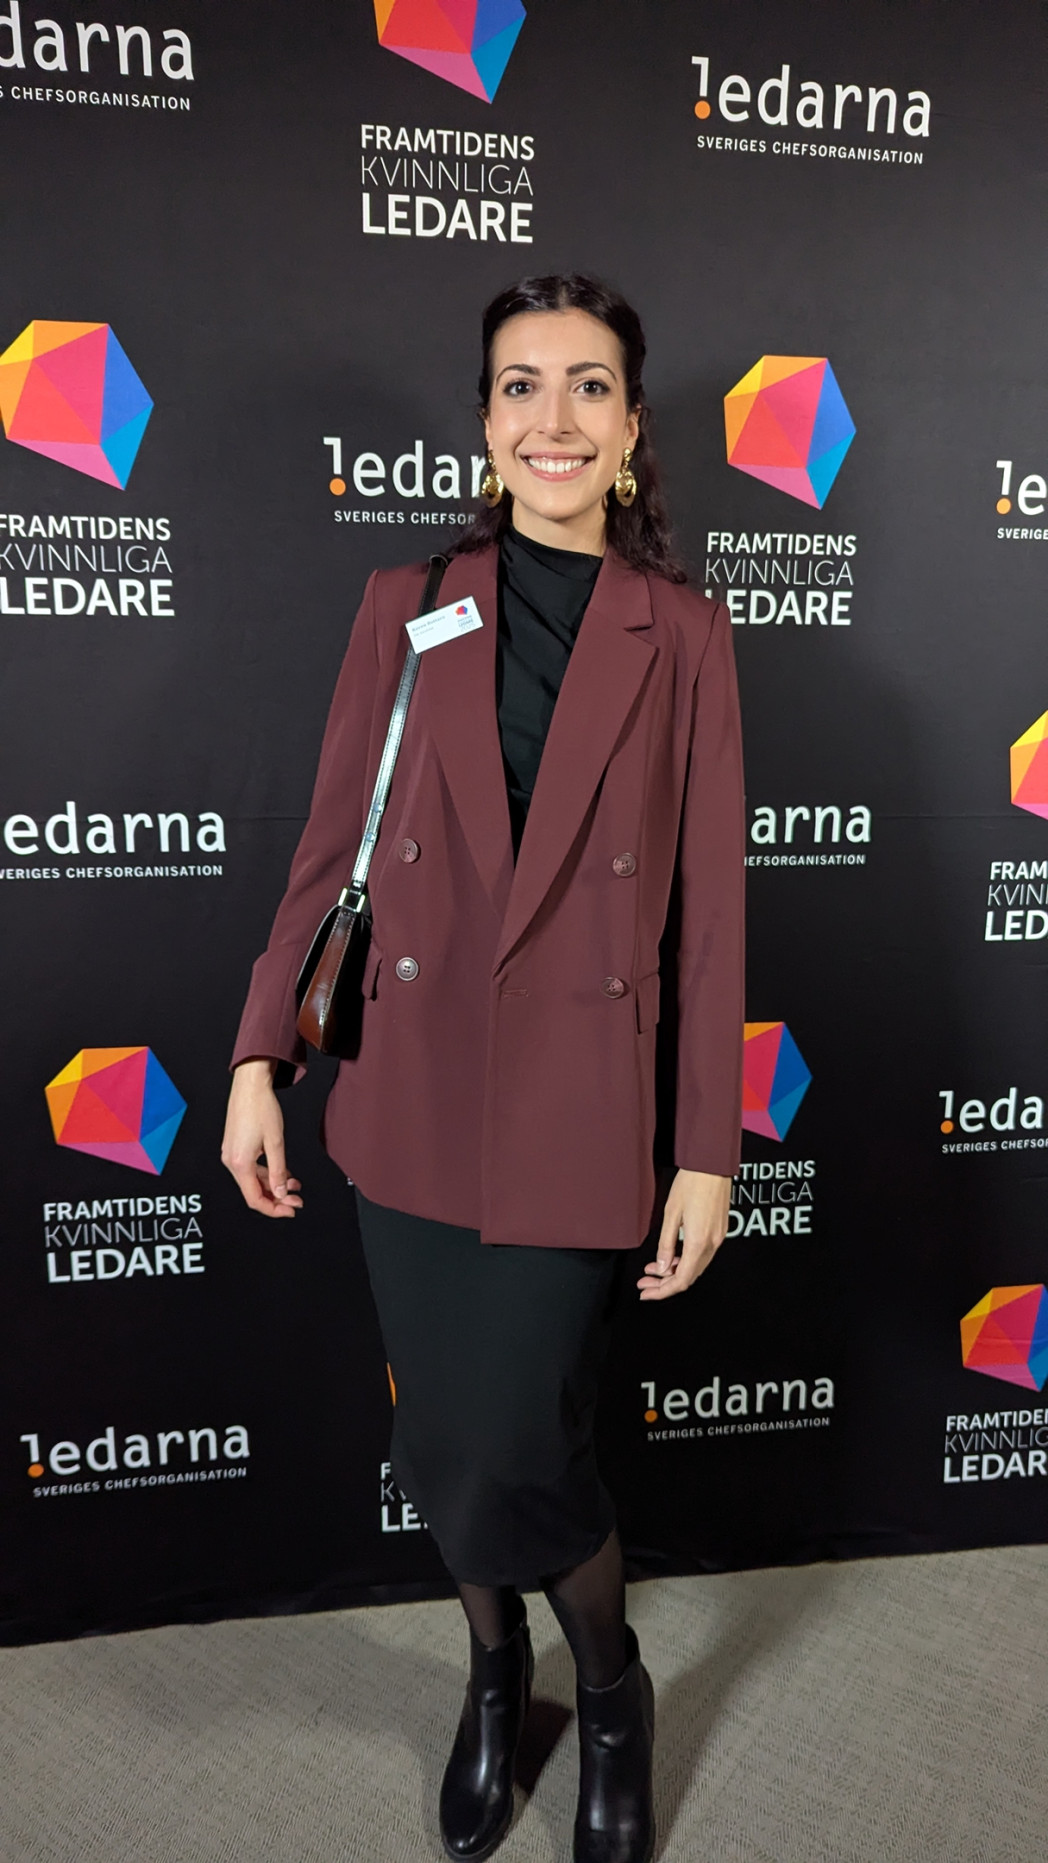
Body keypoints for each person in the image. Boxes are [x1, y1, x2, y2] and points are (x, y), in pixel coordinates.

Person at [223, 273, 744, 1863]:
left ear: (635, 429)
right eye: (522, 387)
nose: (555, 420)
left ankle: (606, 1687)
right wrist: (258, 1053)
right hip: (416, 1094)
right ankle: (490, 1663)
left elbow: (710, 905)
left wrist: (709, 1148)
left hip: (586, 1107)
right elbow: (331, 852)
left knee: (526, 1435)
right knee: (445, 1441)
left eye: (590, 388)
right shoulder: (410, 601)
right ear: (486, 422)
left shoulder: (689, 637)